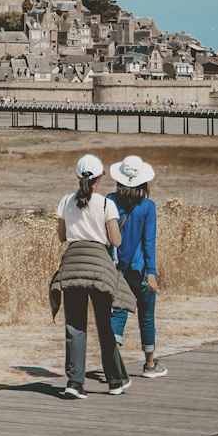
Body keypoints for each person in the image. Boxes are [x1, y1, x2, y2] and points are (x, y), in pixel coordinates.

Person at [50, 153, 133, 399]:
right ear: (101, 177)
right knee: (104, 324)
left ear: (78, 175)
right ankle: (115, 381)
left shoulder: (66, 201)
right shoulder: (106, 204)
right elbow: (116, 240)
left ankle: (75, 383)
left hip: (73, 264)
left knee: (75, 325)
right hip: (98, 265)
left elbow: (62, 236)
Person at [108, 154, 167, 379]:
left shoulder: (110, 201)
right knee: (146, 316)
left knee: (118, 314)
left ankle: (112, 364)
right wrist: (151, 272)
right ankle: (149, 364)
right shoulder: (148, 207)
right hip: (141, 269)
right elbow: (149, 242)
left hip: (117, 270)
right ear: (143, 181)